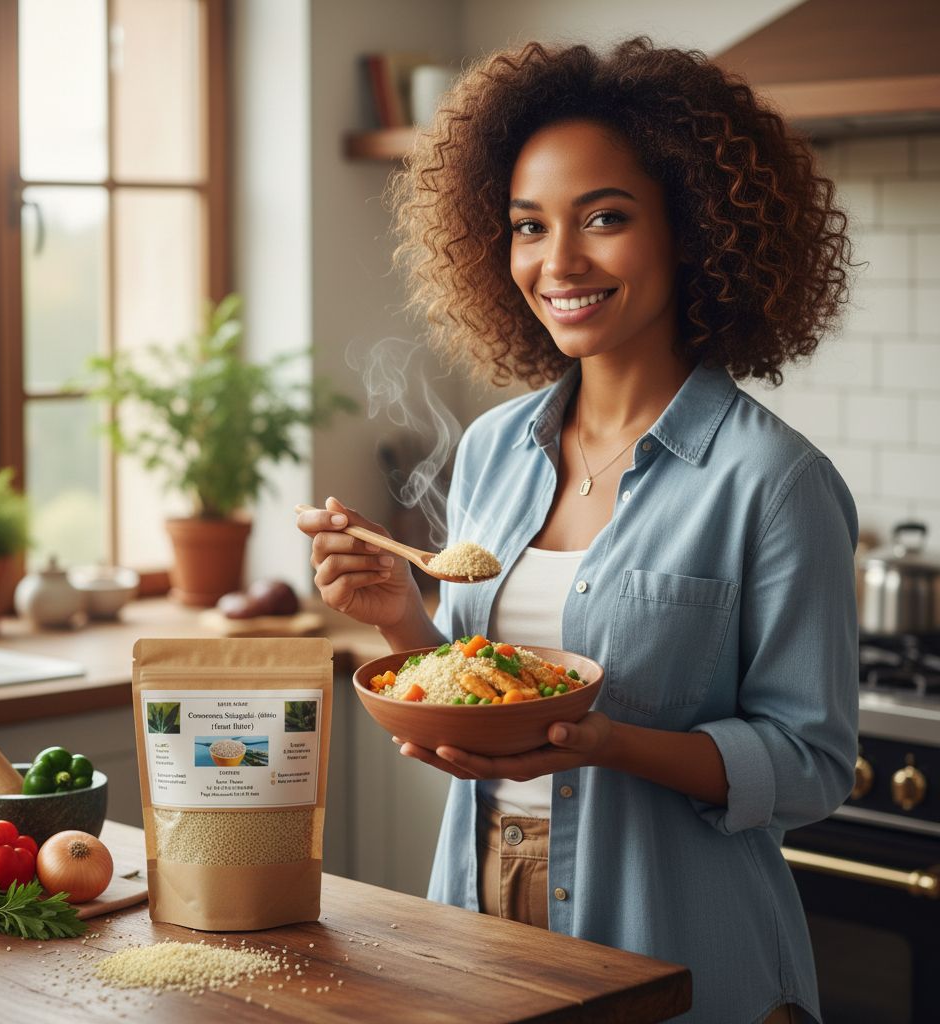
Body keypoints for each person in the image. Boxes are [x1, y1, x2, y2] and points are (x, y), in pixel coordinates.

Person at [296, 38, 859, 1024]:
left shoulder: (773, 481)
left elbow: (811, 762)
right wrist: (402, 625)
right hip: (477, 908)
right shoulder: (493, 448)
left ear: (692, 230)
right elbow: (483, 683)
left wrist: (607, 743)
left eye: (604, 217)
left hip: (678, 935)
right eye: (526, 226)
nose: (557, 263)